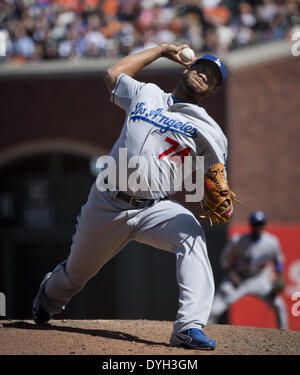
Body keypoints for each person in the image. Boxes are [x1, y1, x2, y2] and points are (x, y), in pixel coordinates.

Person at [32, 44, 230, 350]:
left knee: (192, 236)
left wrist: (223, 199)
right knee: (73, 277)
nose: (205, 76)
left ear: (213, 91)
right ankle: (49, 295)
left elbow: (216, 175)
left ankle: (188, 326)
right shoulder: (147, 92)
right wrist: (163, 50)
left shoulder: (210, 130)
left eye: (213, 77)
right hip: (108, 202)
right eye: (202, 69)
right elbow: (113, 74)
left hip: (155, 209)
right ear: (187, 69)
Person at [208, 211, 288, 329]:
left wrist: (280, 275)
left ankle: (285, 335)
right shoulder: (238, 241)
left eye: (260, 224)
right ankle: (207, 334)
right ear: (251, 225)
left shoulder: (271, 242)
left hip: (258, 279)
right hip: (238, 279)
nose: (258, 227)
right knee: (214, 310)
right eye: (255, 224)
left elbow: (278, 261)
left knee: (279, 305)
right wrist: (231, 274)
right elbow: (224, 259)